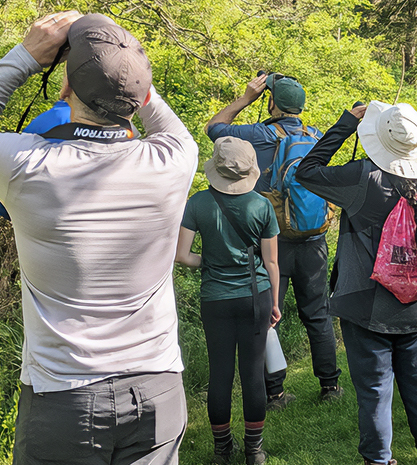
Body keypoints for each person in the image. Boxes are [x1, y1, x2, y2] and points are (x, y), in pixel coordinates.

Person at [0, 11, 198, 465]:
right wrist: (119, 50)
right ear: (139, 94)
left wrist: (27, 55)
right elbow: (148, 101)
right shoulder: (174, 159)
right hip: (159, 388)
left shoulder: (25, 166)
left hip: (63, 396)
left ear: (66, 87)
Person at [294, 101, 417, 465]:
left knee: (375, 391)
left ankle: (378, 460)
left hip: (366, 301)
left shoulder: (361, 177)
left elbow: (307, 171)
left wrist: (347, 122)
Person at [205, 72, 342, 409]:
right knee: (318, 313)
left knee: (268, 316)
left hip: (272, 243)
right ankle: (330, 386)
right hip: (313, 240)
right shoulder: (317, 135)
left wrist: (245, 98)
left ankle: (276, 394)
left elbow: (214, 128)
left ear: (272, 103)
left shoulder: (261, 134)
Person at [176, 136, 281, 465]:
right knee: (252, 373)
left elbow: (182, 255)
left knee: (220, 374)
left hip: (215, 300)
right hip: (256, 296)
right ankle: (255, 450)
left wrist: (208, 262)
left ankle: (222, 450)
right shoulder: (261, 205)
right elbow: (272, 262)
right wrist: (275, 302)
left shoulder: (198, 203)